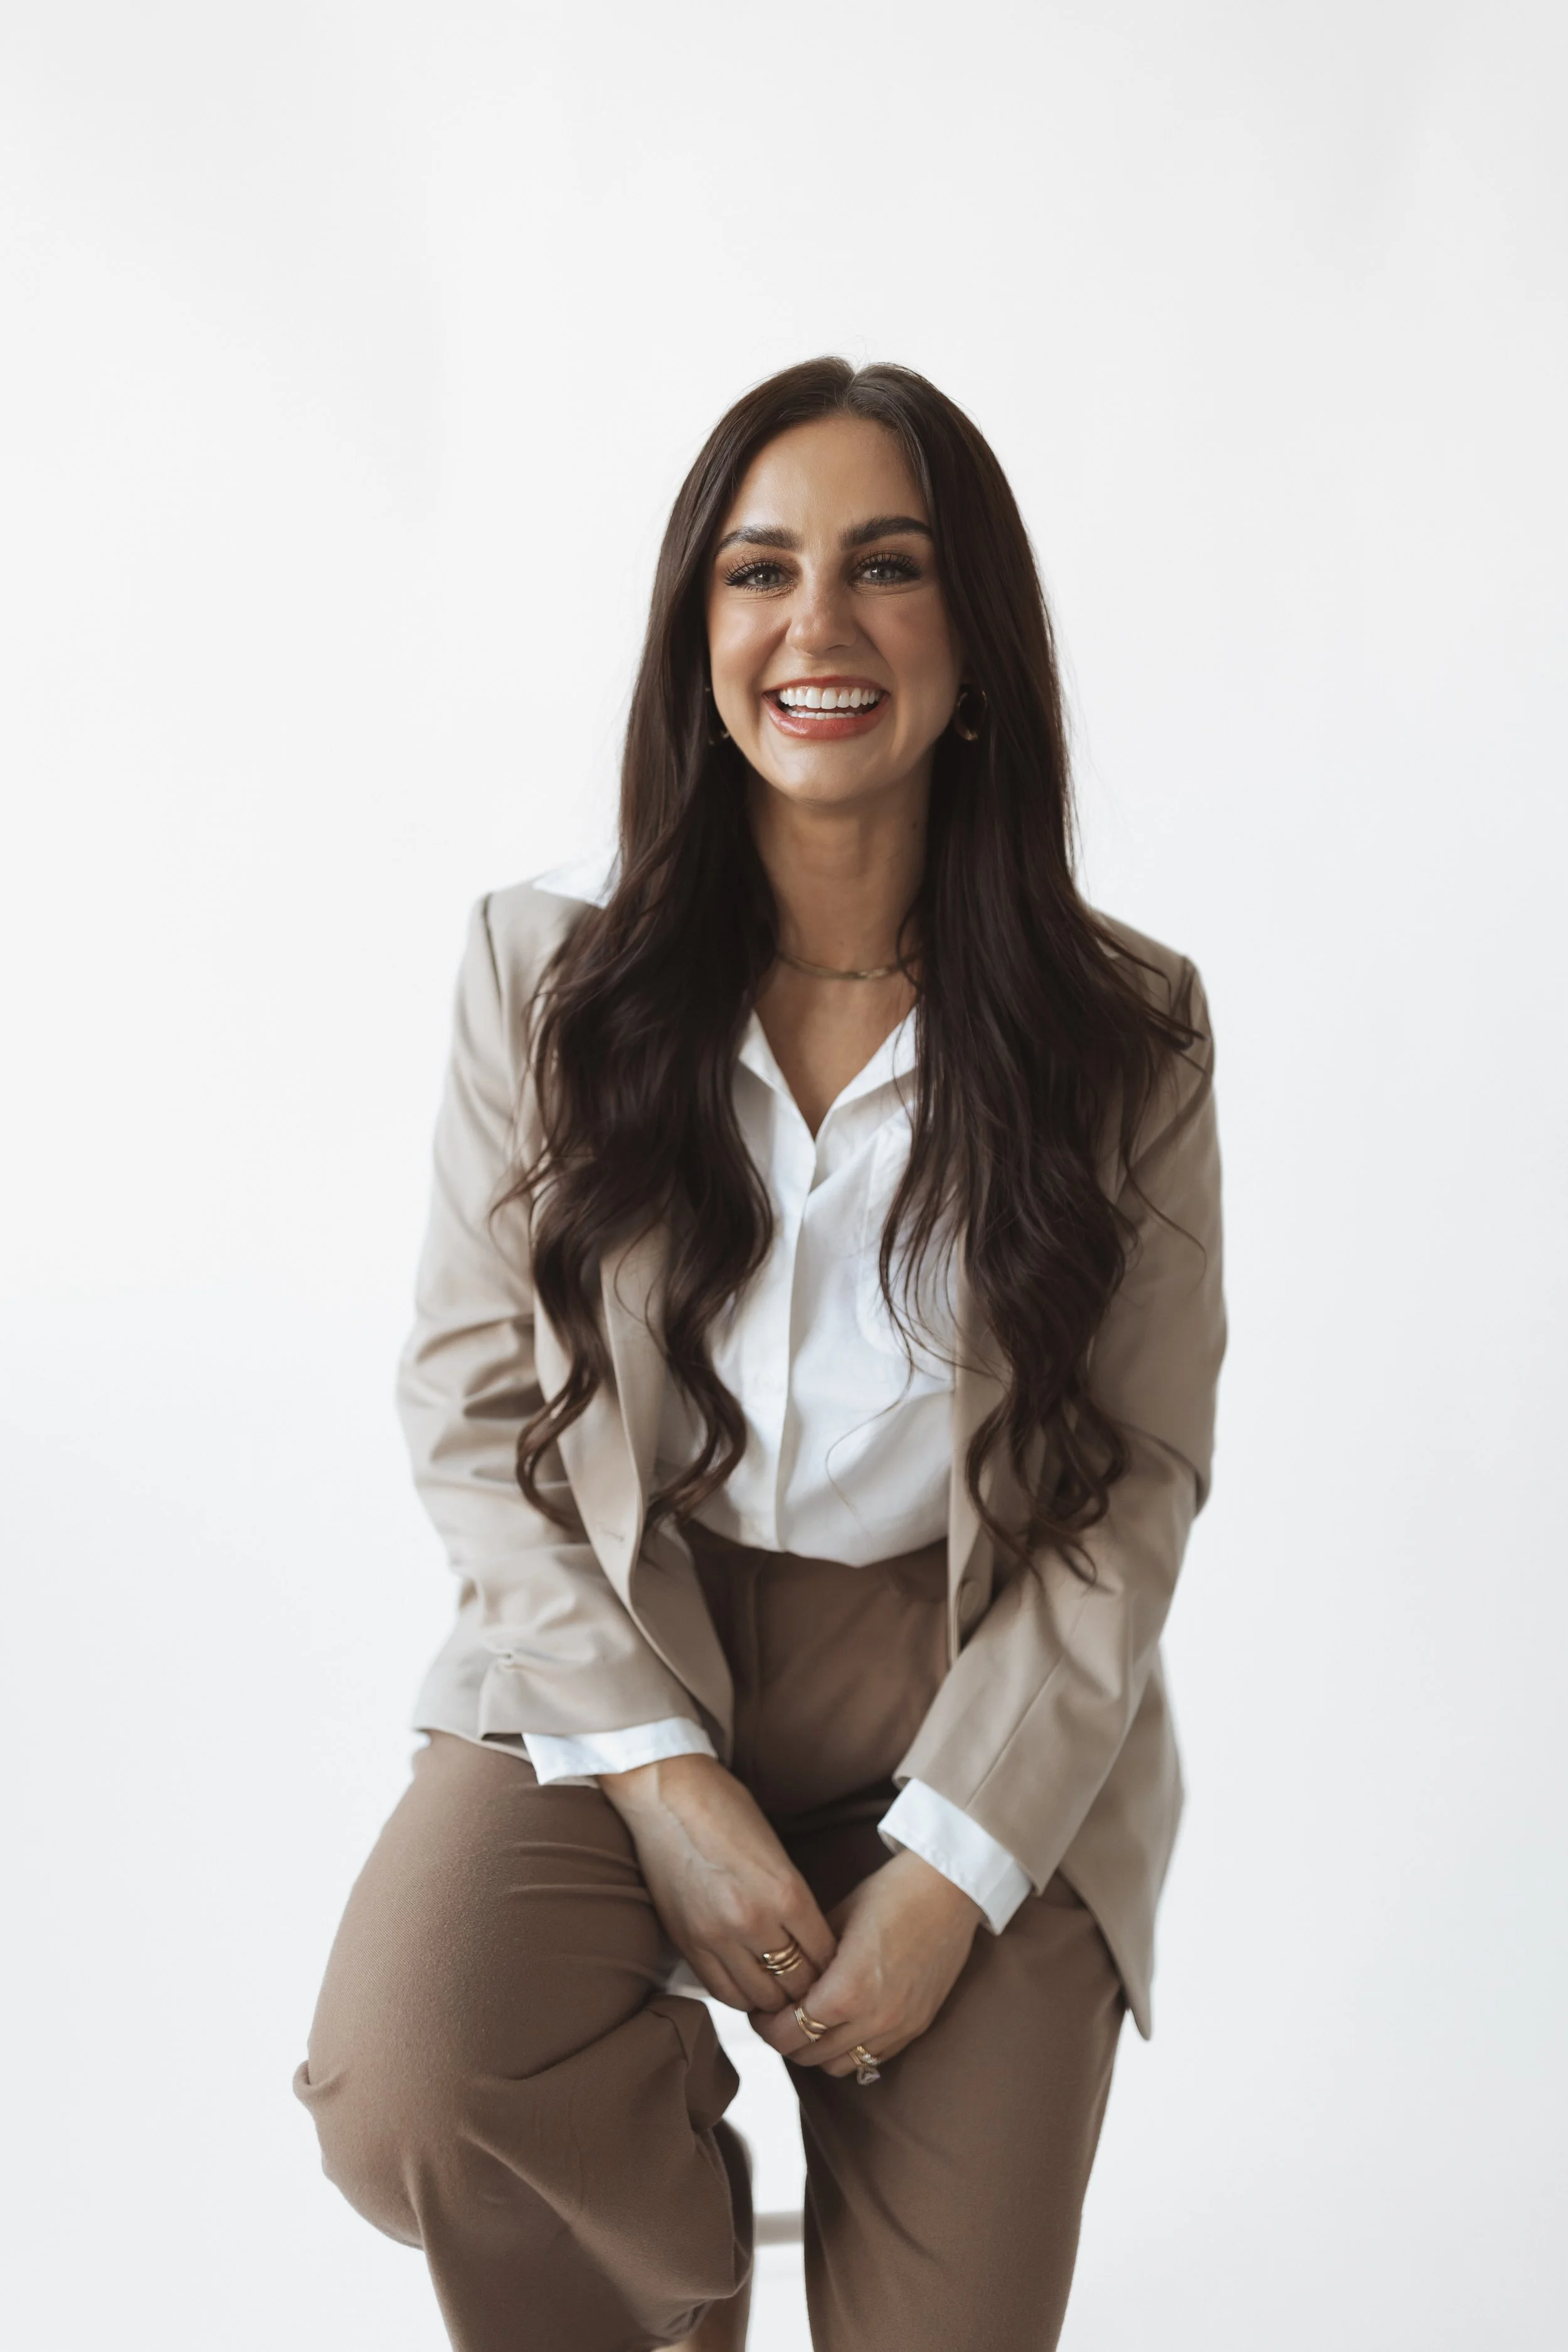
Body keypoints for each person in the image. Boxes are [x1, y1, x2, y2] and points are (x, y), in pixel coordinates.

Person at [293, 356, 1226, 2352]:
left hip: (972, 1676)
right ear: (694, 634)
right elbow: (472, 1414)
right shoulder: (545, 979)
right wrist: (660, 1782)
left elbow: (1130, 1483)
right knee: (406, 2083)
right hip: (631, 1627)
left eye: (885, 569)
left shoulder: (1125, 1030)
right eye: (757, 571)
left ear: (972, 639)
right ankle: (673, 2268)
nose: (816, 626)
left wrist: (951, 1870)